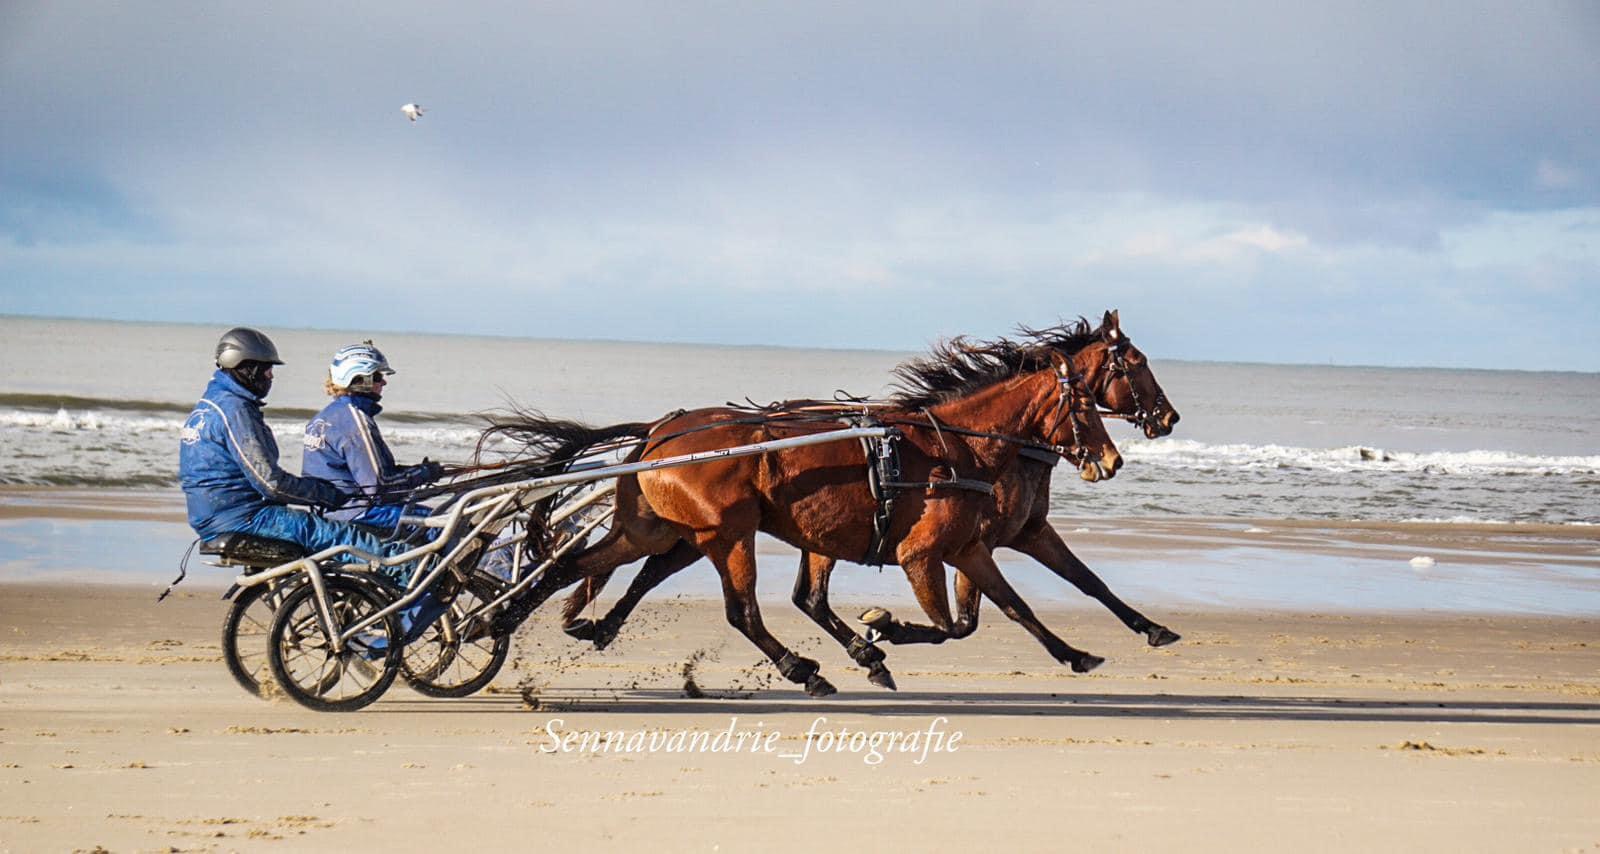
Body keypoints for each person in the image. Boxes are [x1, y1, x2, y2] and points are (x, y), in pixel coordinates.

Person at [178, 327, 414, 573]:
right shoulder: (235, 410)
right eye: (267, 369)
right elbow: (270, 483)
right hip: (241, 518)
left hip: (214, 515)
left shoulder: (209, 405)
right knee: (348, 540)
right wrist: (325, 494)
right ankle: (408, 574)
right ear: (247, 368)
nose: (271, 377)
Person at [301, 341, 442, 533]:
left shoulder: (328, 415)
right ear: (359, 378)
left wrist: (418, 471)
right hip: (357, 512)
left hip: (334, 511)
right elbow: (378, 487)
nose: (384, 382)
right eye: (377, 376)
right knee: (443, 525)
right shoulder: (354, 421)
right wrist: (423, 474)